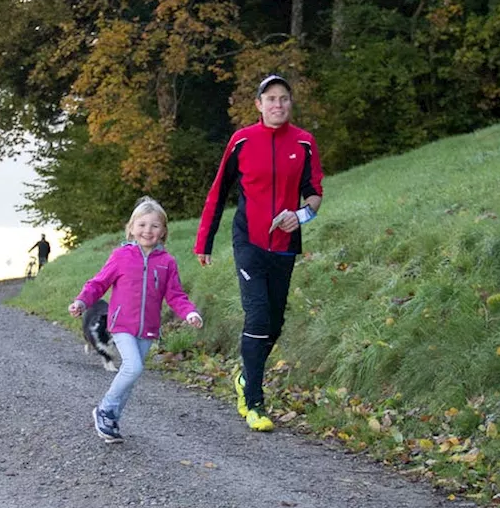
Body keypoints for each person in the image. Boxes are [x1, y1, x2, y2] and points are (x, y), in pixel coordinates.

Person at [193, 74, 324, 432]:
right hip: (249, 241)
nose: (277, 105)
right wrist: (204, 241)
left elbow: (314, 193)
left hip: (284, 246)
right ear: (258, 105)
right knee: (259, 317)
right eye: (271, 99)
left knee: (275, 324)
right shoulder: (242, 140)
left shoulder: (305, 142)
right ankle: (254, 401)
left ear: (290, 104)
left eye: (284, 99)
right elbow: (218, 192)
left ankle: (244, 377)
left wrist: (300, 216)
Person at [69, 197, 203, 443]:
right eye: (142, 225)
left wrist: (190, 312)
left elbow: (175, 295)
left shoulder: (167, 263)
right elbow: (99, 283)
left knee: (131, 375)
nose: (147, 231)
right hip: (121, 326)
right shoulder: (121, 256)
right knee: (133, 367)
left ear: (163, 231)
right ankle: (105, 409)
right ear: (131, 228)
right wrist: (82, 301)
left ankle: (111, 421)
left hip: (148, 329)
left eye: (154, 226)